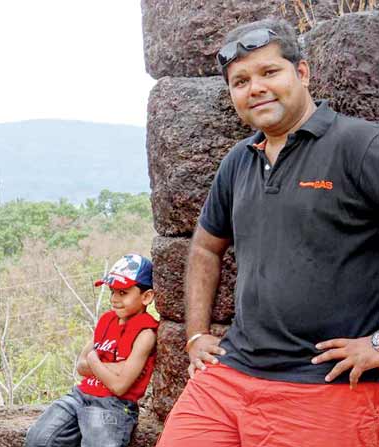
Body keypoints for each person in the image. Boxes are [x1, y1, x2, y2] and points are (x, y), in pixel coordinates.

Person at [156, 18, 379, 447]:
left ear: (302, 73)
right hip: (228, 377)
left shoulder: (360, 146)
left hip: (324, 385)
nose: (254, 88)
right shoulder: (239, 161)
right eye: (240, 81)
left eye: (269, 72)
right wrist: (196, 335)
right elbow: (205, 246)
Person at [25, 253, 159, 447]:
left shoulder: (145, 333)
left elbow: (119, 386)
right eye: (112, 291)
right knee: (39, 438)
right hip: (81, 395)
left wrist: (95, 361)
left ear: (146, 296)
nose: (114, 299)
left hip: (114, 404)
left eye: (123, 293)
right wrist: (117, 366)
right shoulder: (106, 321)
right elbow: (80, 366)